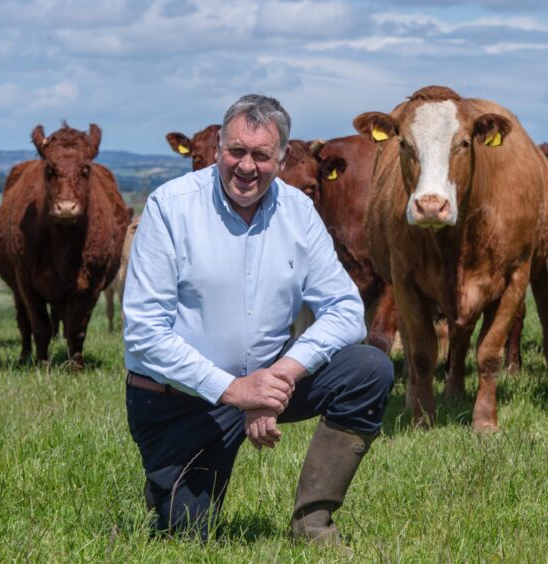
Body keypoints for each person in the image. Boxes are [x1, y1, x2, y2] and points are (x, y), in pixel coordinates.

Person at [123, 94, 394, 544]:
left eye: (262, 155)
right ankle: (169, 493)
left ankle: (313, 525)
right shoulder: (170, 207)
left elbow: (346, 309)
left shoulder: (299, 211)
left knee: (369, 369)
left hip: (268, 382)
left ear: (282, 158)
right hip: (182, 400)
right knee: (185, 535)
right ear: (217, 150)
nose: (246, 167)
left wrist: (280, 376)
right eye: (236, 151)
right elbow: (145, 334)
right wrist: (234, 391)